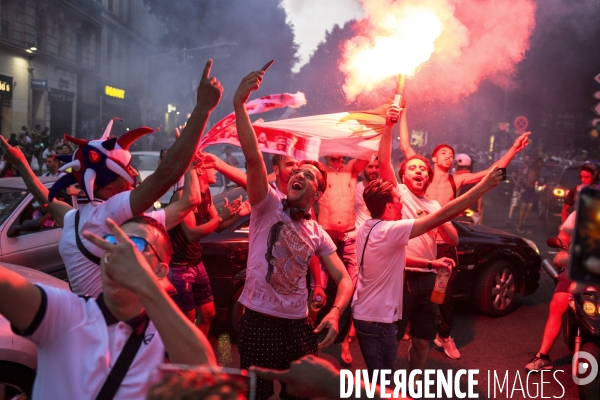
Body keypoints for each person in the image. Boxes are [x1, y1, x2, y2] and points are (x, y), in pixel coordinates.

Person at [0, 59, 223, 298]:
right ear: (114, 178)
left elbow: (44, 197)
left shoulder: (76, 218)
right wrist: (202, 109)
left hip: (87, 325)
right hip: (114, 329)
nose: (135, 173)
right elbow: (167, 177)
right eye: (128, 167)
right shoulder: (108, 215)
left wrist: (22, 164)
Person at [234, 68, 352, 400]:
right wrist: (240, 105)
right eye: (296, 170)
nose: (299, 173)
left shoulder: (317, 233)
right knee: (255, 394)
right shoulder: (266, 205)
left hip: (298, 327)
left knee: (298, 395)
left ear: (318, 193)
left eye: (309, 175)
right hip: (257, 320)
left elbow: (344, 280)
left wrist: (334, 311)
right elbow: (253, 159)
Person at [0, 216, 216, 399]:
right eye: (112, 242)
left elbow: (207, 379)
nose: (119, 252)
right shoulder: (66, 313)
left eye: (135, 246)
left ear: (160, 271)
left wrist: (146, 286)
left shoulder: (166, 336)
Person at [399, 103, 530, 359]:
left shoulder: (456, 179)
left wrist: (513, 149)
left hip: (445, 244)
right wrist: (402, 111)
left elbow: (493, 173)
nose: (449, 156)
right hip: (419, 242)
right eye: (444, 153)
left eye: (452, 154)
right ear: (433, 159)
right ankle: (411, 325)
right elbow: (405, 145)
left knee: (442, 293)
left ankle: (444, 335)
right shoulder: (420, 174)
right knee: (410, 288)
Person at [353, 164, 500, 373]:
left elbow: (399, 257)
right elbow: (444, 215)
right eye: (398, 201)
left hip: (369, 313)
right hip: (377, 318)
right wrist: (483, 187)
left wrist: (432, 264)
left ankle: (402, 386)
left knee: (386, 367)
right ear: (388, 206)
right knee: (381, 375)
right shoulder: (389, 230)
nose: (402, 205)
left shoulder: (368, 227)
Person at [379, 105, 460, 374]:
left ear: (427, 177)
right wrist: (389, 126)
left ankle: (413, 382)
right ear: (403, 176)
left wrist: (436, 219)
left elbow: (454, 239)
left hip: (430, 279)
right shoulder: (399, 192)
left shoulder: (435, 204)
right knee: (390, 339)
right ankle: (385, 386)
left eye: (423, 169)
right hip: (400, 277)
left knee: (423, 339)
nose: (418, 171)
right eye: (412, 168)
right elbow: (382, 163)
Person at [167, 160, 246, 336]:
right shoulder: (183, 196)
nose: (216, 171)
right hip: (180, 266)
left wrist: (238, 215)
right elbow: (192, 234)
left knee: (208, 313)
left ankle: (196, 351)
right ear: (201, 170)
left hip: (196, 263)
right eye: (213, 167)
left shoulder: (207, 193)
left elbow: (218, 226)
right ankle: (181, 358)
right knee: (187, 318)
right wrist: (221, 218)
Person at [526, 210, 575, 371]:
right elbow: (562, 241)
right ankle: (543, 356)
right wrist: (564, 254)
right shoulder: (578, 215)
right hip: (578, 272)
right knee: (557, 305)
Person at [516, 157, 544, 233]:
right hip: (526, 188)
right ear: (536, 163)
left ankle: (522, 222)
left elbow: (536, 181)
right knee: (523, 207)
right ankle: (519, 225)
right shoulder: (529, 169)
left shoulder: (538, 171)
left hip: (532, 190)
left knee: (529, 207)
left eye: (541, 163)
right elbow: (522, 176)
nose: (541, 165)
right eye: (539, 163)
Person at [454, 154, 484, 224]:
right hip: (473, 215)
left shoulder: (454, 177)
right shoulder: (475, 177)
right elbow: (479, 199)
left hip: (456, 213)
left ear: (458, 165)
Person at [355, 155, 380, 230]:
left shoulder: (382, 190)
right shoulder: (356, 189)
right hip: (359, 233)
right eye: (370, 167)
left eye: (377, 167)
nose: (374, 170)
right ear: (363, 168)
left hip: (378, 232)